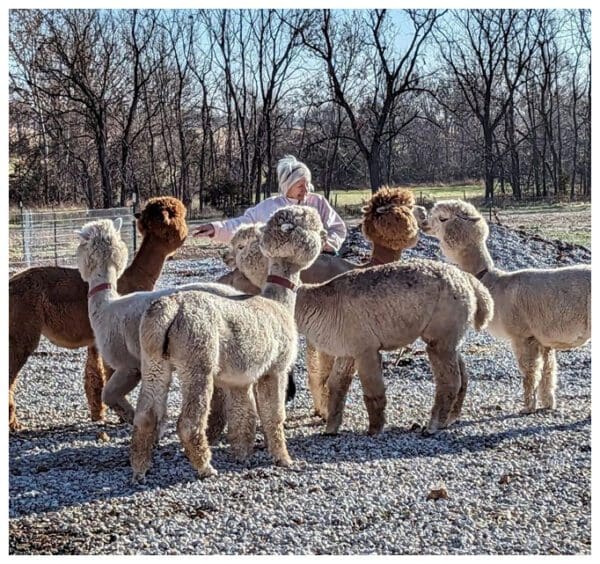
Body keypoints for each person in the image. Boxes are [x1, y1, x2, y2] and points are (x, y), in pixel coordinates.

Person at [193, 155, 347, 253]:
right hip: (280, 268)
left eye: (307, 184)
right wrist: (216, 229)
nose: (306, 190)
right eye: (300, 186)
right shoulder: (269, 206)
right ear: (287, 185)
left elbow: (337, 228)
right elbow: (243, 225)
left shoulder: (318, 202)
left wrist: (329, 244)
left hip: (317, 263)